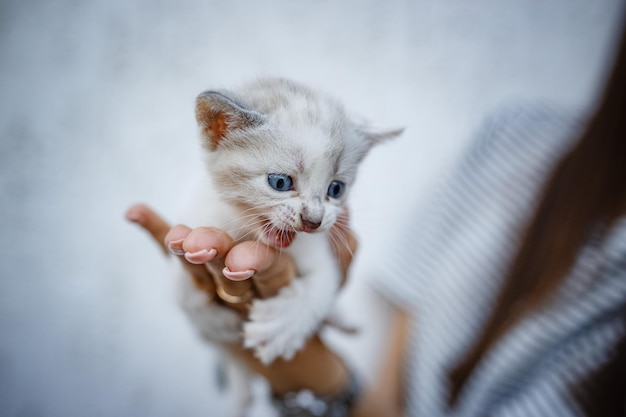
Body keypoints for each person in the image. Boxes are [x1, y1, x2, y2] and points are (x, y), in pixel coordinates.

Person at [127, 20, 626, 417]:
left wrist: (306, 356)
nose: (315, 214)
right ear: (219, 130)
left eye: (335, 190)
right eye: (283, 183)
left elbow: (318, 276)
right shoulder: (514, 136)